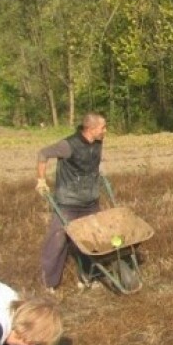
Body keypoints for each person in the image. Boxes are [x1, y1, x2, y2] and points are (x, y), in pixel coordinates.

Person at [35, 112, 108, 291]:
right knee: (58, 239)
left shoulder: (98, 142)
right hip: (68, 202)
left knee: (92, 241)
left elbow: (94, 162)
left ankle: (89, 278)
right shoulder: (67, 145)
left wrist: (101, 172)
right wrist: (41, 180)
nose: (105, 131)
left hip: (90, 200)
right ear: (91, 129)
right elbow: (43, 153)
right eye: (103, 127)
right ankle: (49, 284)